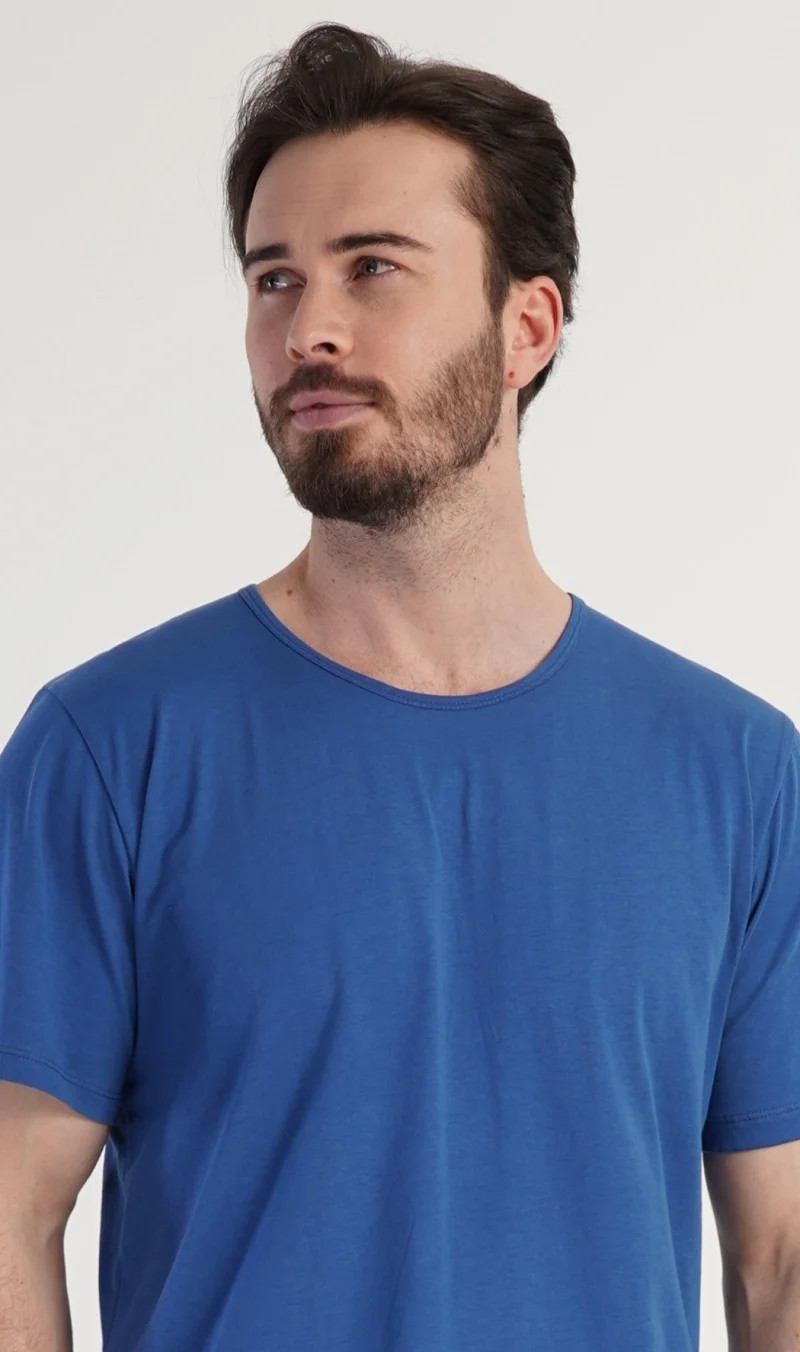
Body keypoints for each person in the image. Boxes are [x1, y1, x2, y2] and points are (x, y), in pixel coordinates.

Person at [1, 21, 798, 1352]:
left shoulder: (740, 775)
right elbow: (11, 1214)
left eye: (372, 268)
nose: (307, 329)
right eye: (274, 279)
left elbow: (779, 1262)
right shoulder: (107, 749)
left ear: (526, 326)